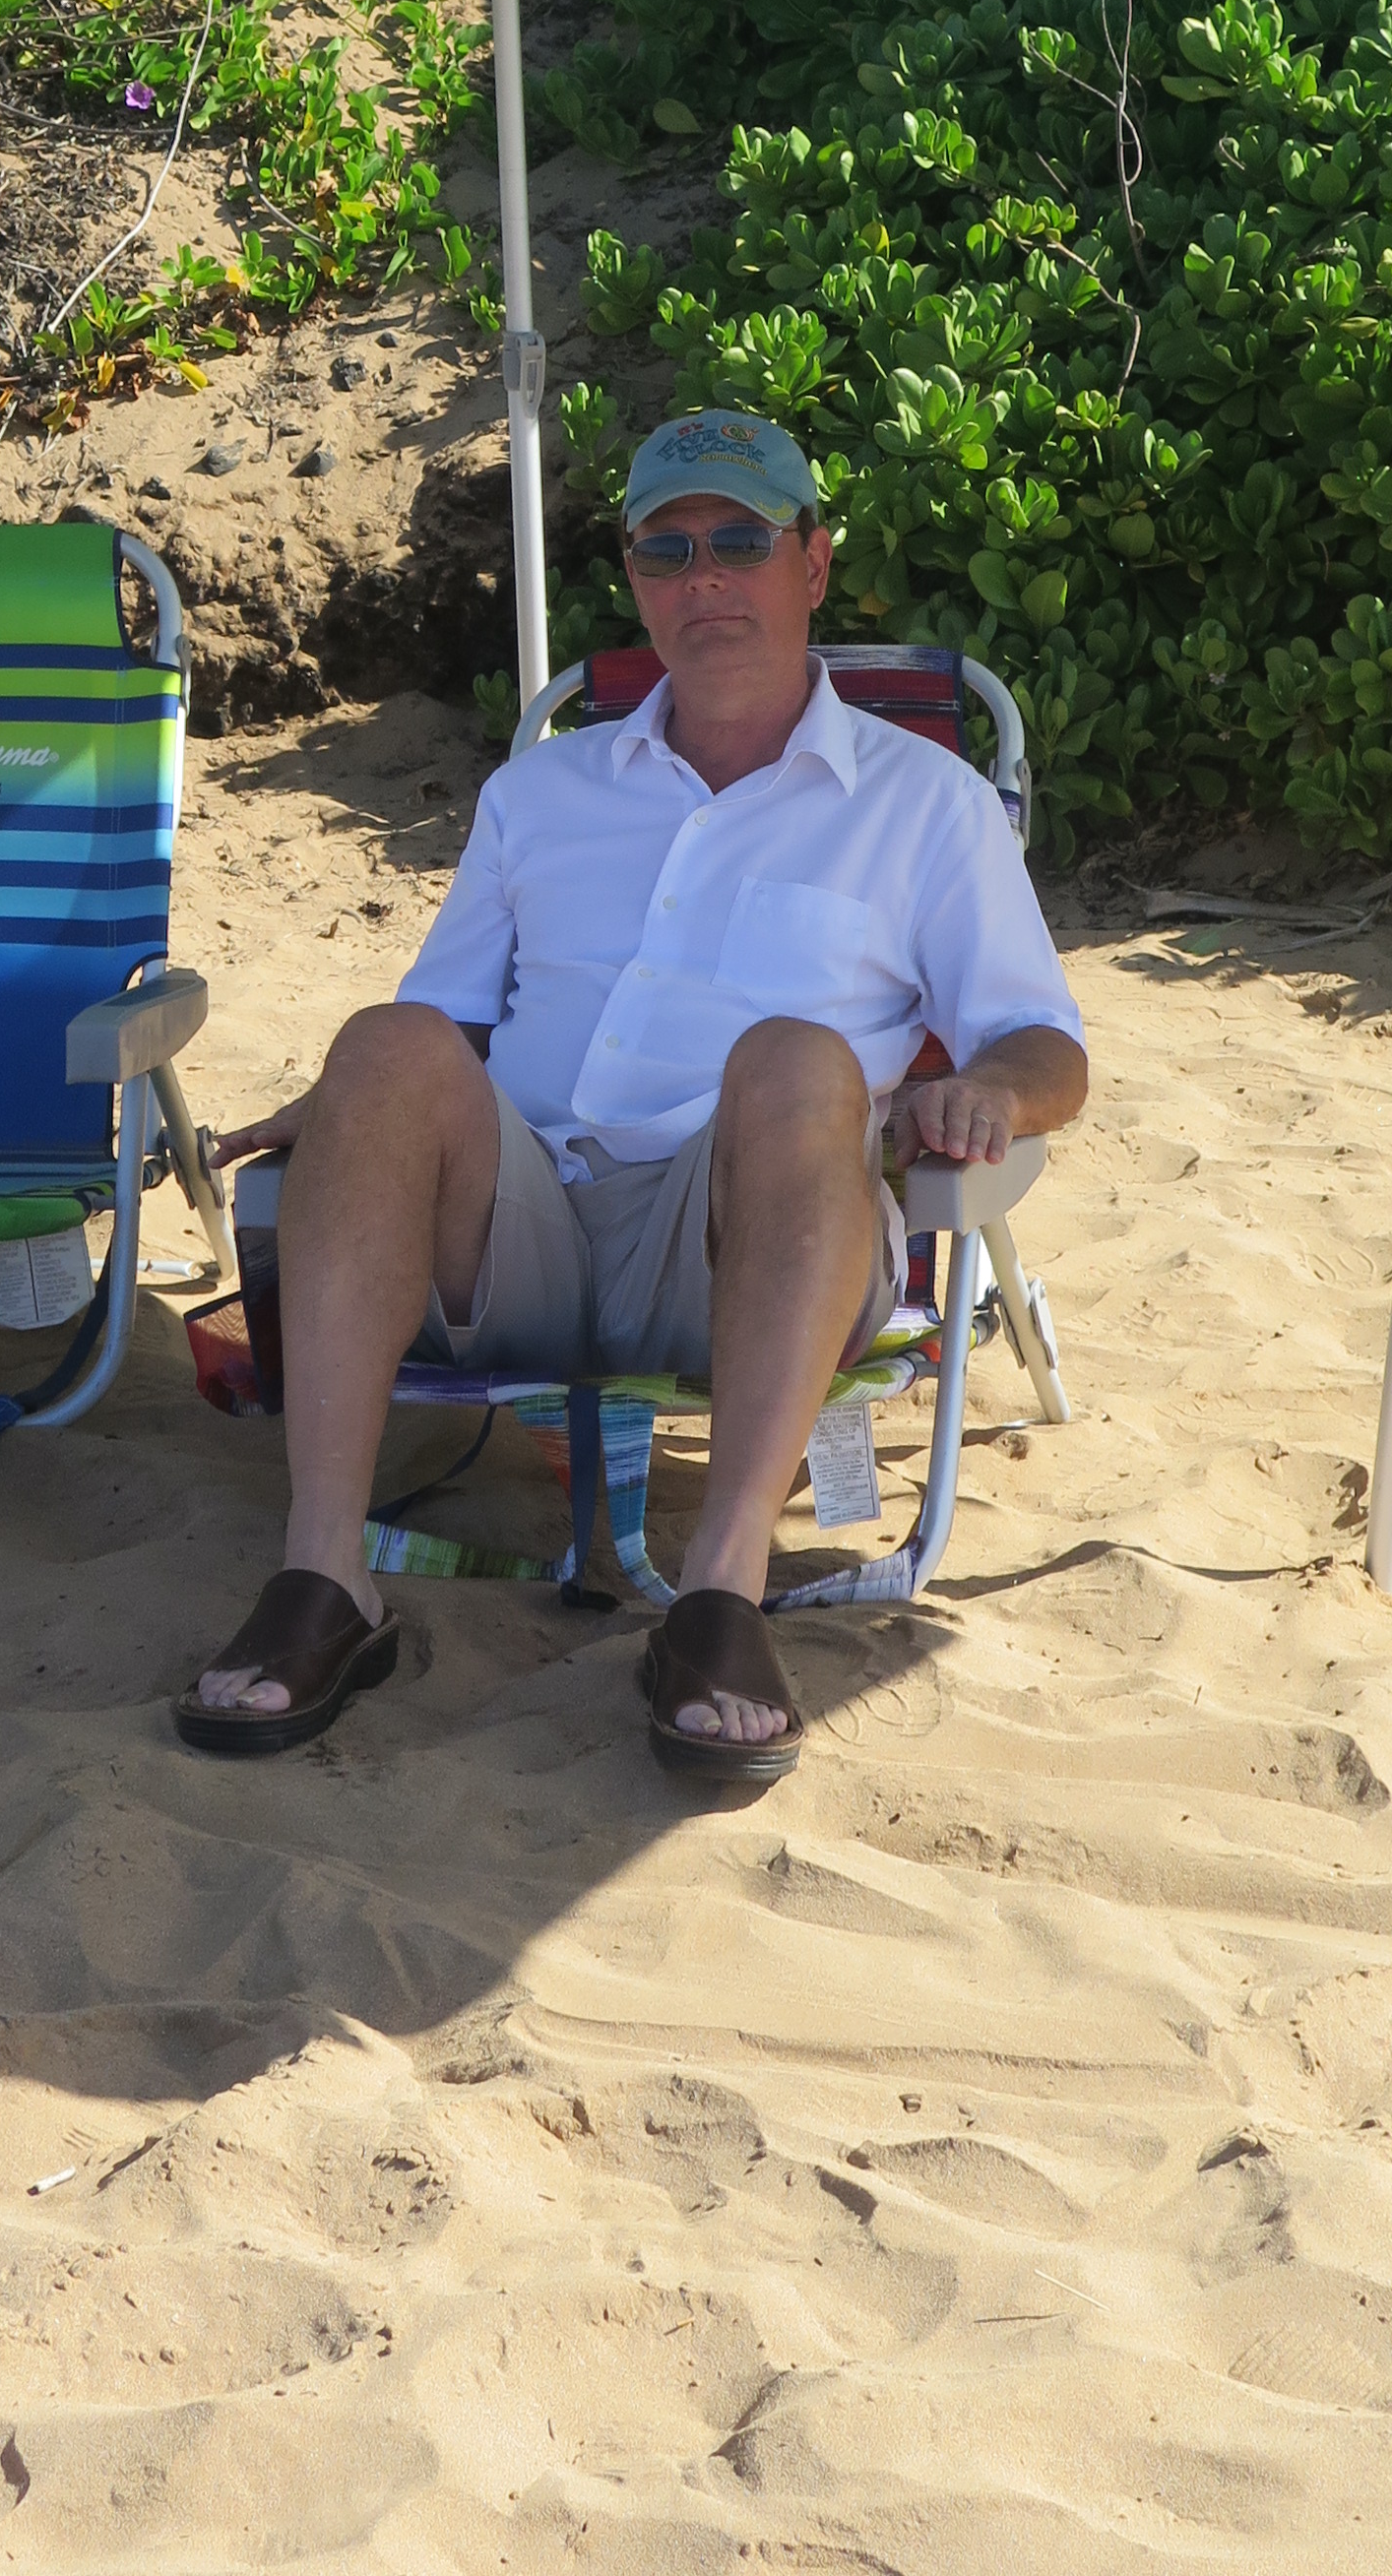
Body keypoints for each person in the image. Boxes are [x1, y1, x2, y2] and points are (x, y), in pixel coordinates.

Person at [182, 410, 1089, 1785]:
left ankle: (718, 1595)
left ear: (814, 563)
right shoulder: (542, 792)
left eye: (739, 542)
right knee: (381, 1039)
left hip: (745, 1241)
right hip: (517, 1232)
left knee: (798, 1058)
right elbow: (441, 1028)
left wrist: (990, 1093)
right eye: (667, 551)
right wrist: (357, 1099)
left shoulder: (926, 804)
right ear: (634, 580)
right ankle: (326, 1577)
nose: (703, 577)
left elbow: (1046, 1044)